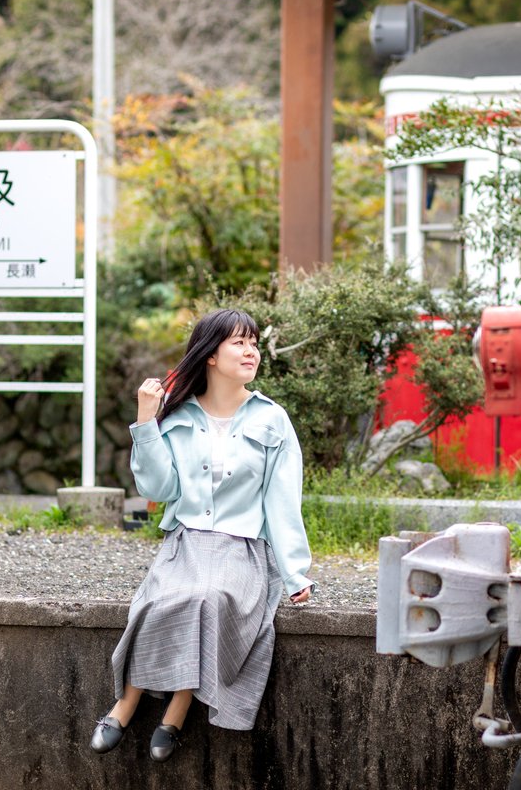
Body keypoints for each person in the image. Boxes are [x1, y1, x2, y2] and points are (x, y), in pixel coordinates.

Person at [90, 308, 314, 762]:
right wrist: (146, 422)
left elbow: (283, 502)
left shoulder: (272, 420)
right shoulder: (177, 417)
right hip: (185, 543)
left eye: (253, 342)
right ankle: (126, 704)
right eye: (238, 342)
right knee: (160, 600)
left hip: (243, 549)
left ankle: (176, 710)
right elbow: (157, 489)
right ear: (210, 354)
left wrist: (295, 574)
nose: (250, 351)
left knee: (210, 599)